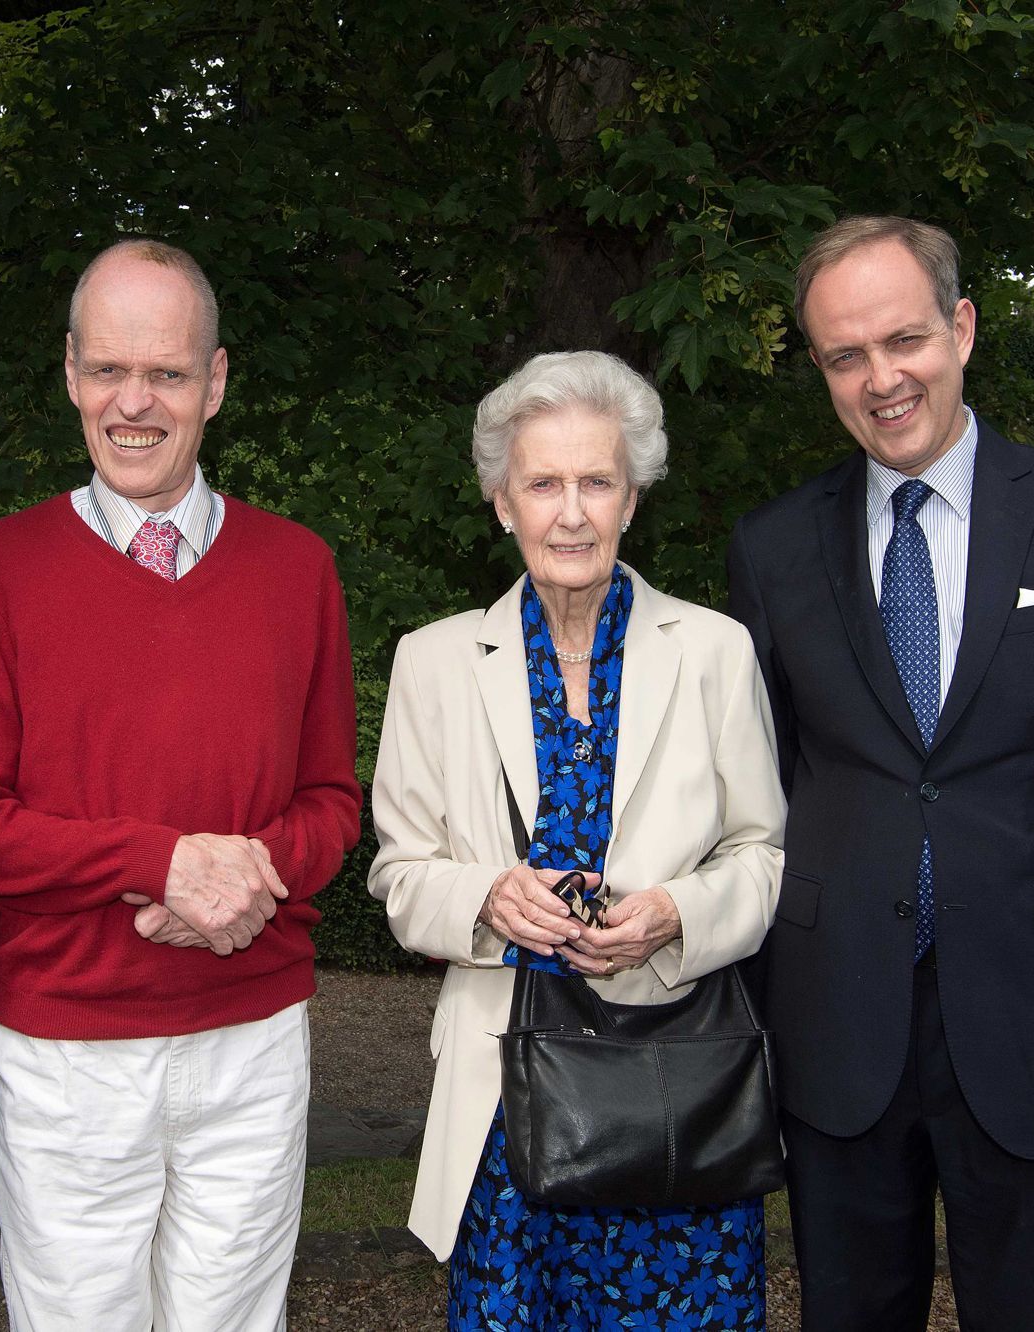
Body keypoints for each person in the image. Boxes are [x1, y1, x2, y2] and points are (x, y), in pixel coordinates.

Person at [725, 215, 1034, 1331]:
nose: (880, 378)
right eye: (843, 356)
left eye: (901, 339)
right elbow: (751, 809)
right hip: (836, 1037)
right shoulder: (768, 550)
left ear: (958, 329)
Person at [0, 237, 362, 1332]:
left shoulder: (295, 567)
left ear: (214, 383)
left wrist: (242, 880)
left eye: (167, 373)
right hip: (67, 1054)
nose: (135, 402)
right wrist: (159, 861)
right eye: (108, 370)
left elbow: (330, 802)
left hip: (250, 1040)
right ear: (70, 372)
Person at [370, 350, 787, 1330]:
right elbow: (395, 873)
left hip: (676, 1088)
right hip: (502, 1101)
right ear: (499, 500)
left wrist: (672, 913)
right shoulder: (432, 664)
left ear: (630, 497)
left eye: (595, 481)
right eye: (541, 483)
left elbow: (762, 857)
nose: (569, 511)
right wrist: (482, 896)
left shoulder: (713, 652)